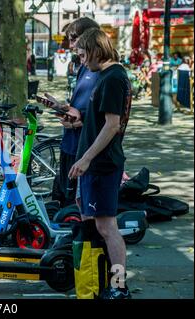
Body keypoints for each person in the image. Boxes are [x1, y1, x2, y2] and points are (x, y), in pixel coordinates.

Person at [69, 28, 132, 299]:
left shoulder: (113, 78)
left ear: (96, 49)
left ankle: (119, 286)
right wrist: (80, 120)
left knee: (108, 228)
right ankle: (97, 282)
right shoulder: (104, 76)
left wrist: (86, 158)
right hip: (94, 164)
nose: (82, 62)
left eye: (83, 55)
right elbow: (100, 121)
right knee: (95, 224)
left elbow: (112, 125)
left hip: (102, 165)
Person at [43, 17, 101, 208]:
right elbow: (81, 105)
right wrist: (60, 106)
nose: (71, 44)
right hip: (70, 142)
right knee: (63, 198)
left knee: (76, 203)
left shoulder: (101, 70)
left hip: (83, 146)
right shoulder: (83, 67)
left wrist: (81, 119)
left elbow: (107, 116)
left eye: (74, 38)